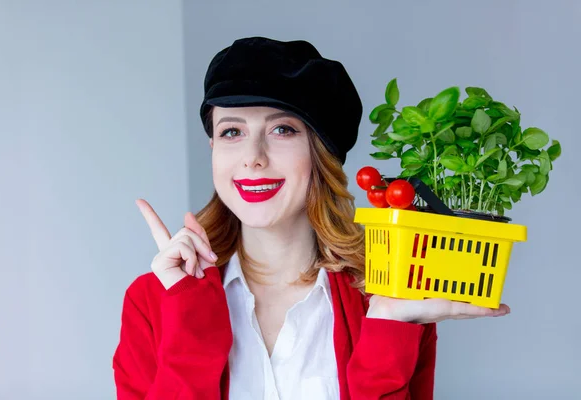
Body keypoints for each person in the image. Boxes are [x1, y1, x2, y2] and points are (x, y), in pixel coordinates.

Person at [112, 36, 510, 400]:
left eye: (283, 129)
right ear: (213, 146)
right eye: (232, 132)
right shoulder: (154, 301)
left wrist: (388, 324)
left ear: (322, 155)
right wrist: (190, 325)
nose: (253, 157)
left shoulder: (386, 297)